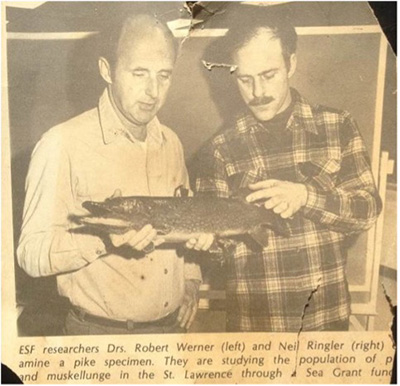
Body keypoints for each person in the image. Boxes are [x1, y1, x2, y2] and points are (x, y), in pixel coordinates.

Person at [17, 13, 213, 335]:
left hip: (170, 335)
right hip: (99, 337)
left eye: (164, 76)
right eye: (140, 73)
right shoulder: (62, 143)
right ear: (106, 70)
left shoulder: (171, 144)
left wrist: (191, 280)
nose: (153, 91)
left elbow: (184, 222)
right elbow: (30, 255)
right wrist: (104, 240)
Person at [195, 12, 382, 332]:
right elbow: (216, 247)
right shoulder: (218, 150)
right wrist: (203, 240)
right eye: (245, 79)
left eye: (269, 75)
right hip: (253, 333)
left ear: (291, 64)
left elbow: (367, 210)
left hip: (326, 325)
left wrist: (305, 197)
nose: (258, 91)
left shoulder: (338, 126)